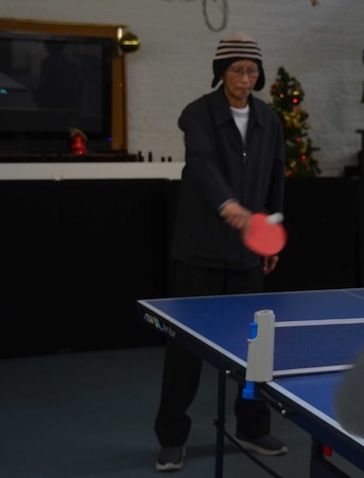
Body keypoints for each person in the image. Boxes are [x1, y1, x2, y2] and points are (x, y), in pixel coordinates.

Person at [153, 31, 287, 471]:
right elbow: (204, 164)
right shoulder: (198, 115)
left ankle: (251, 425)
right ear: (220, 72)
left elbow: (274, 179)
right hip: (200, 254)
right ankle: (172, 436)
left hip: (247, 254)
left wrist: (268, 229)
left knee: (253, 352)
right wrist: (230, 208)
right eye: (236, 70)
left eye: (251, 71)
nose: (245, 79)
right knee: (185, 353)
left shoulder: (269, 120)